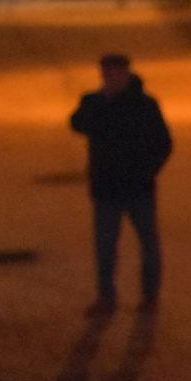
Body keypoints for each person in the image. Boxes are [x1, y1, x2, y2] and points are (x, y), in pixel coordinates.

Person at [68, 51, 170, 313]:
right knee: (105, 247)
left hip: (138, 188)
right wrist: (100, 103)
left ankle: (150, 297)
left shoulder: (145, 105)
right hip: (106, 188)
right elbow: (76, 123)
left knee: (148, 245)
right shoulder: (94, 101)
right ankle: (106, 296)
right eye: (106, 74)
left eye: (115, 74)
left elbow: (163, 143)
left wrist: (147, 171)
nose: (110, 79)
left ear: (126, 74)